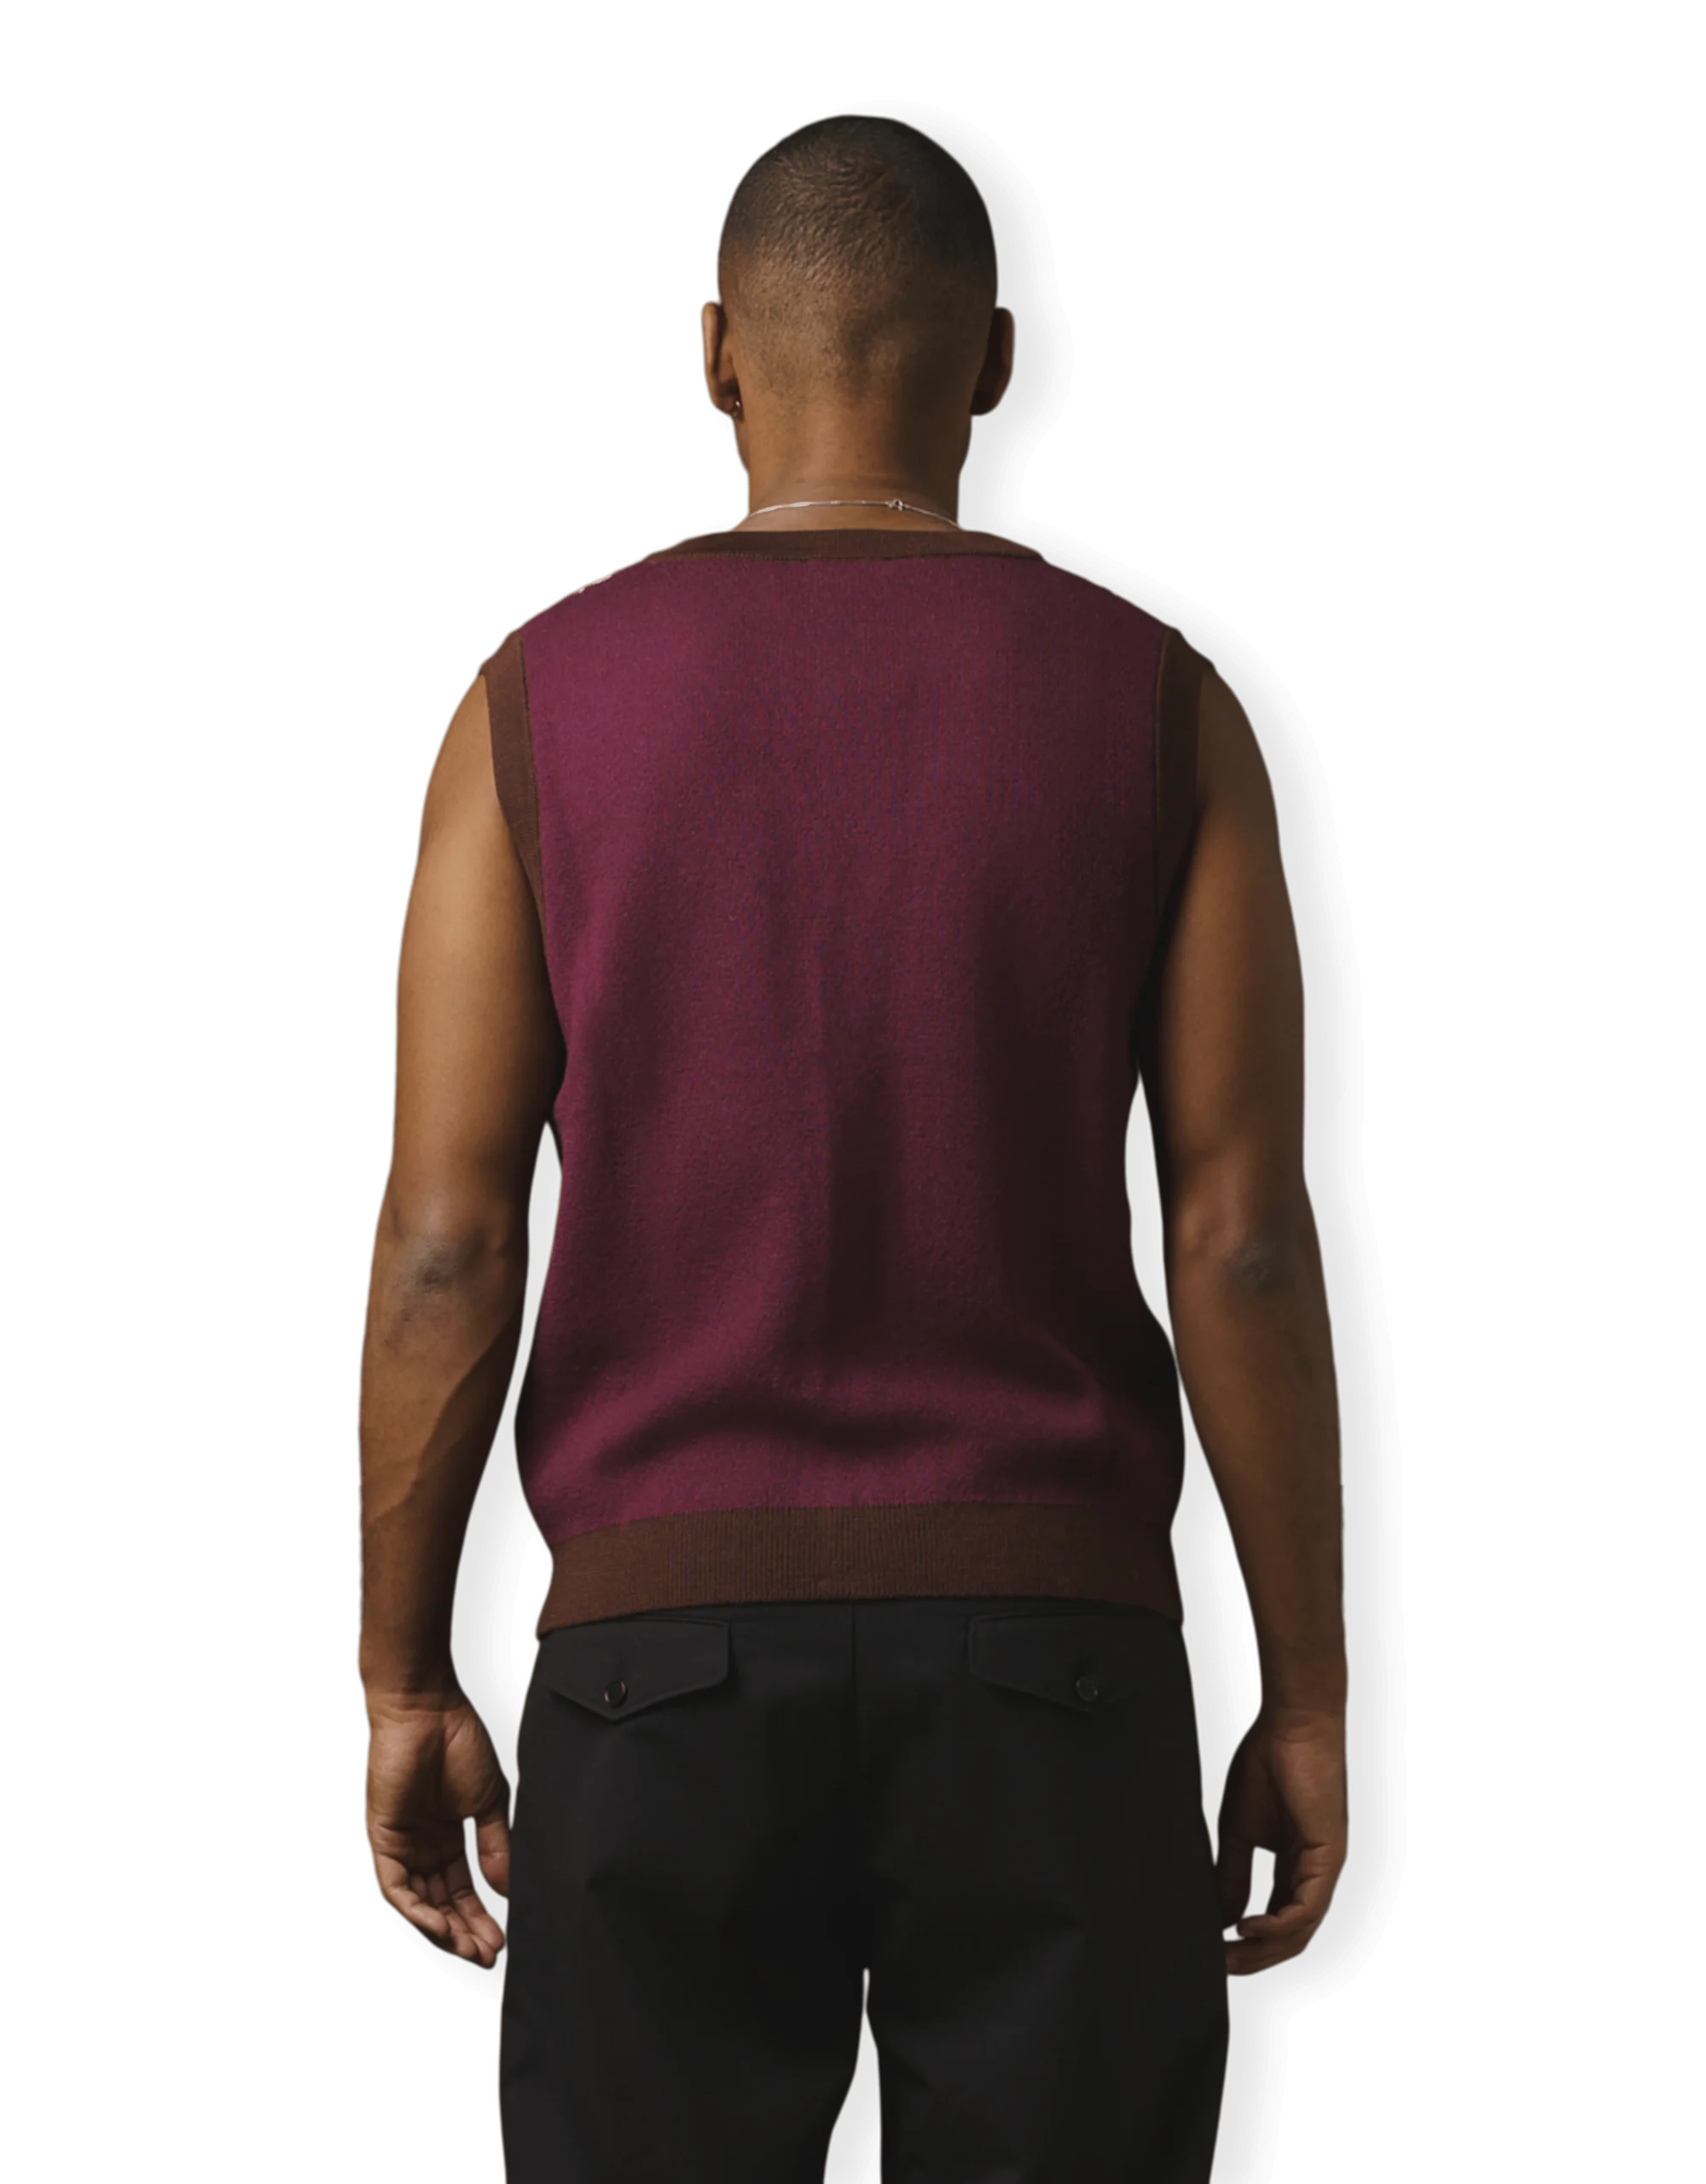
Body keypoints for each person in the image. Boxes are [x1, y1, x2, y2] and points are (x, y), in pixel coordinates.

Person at [358, 110, 1351, 2183]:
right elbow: (1240, 1239)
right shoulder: (1168, 702)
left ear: (717, 354)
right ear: (995, 361)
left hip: (647, 1674)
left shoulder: (529, 697)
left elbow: (449, 1240)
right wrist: (1308, 1699)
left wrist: (405, 1675)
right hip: (1060, 1661)